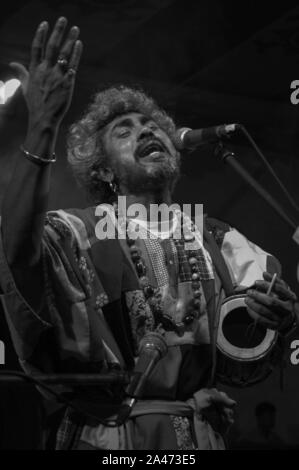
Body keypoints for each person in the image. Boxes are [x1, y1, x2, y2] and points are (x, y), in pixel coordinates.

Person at [0, 17, 298, 450]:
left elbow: (241, 357)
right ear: (102, 169)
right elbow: (16, 251)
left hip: (194, 439)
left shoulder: (219, 240)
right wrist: (42, 126)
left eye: (152, 125)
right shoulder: (77, 231)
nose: (146, 130)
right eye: (125, 130)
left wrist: (274, 320)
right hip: (103, 440)